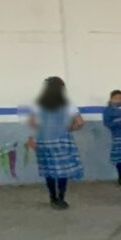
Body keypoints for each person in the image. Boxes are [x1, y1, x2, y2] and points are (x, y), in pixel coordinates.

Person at [30, 76, 84, 210]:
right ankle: (61, 198)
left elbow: (33, 122)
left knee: (48, 169)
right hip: (61, 140)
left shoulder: (39, 104)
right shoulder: (67, 104)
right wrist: (69, 129)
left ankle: (52, 197)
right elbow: (80, 122)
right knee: (62, 170)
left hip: (44, 140)